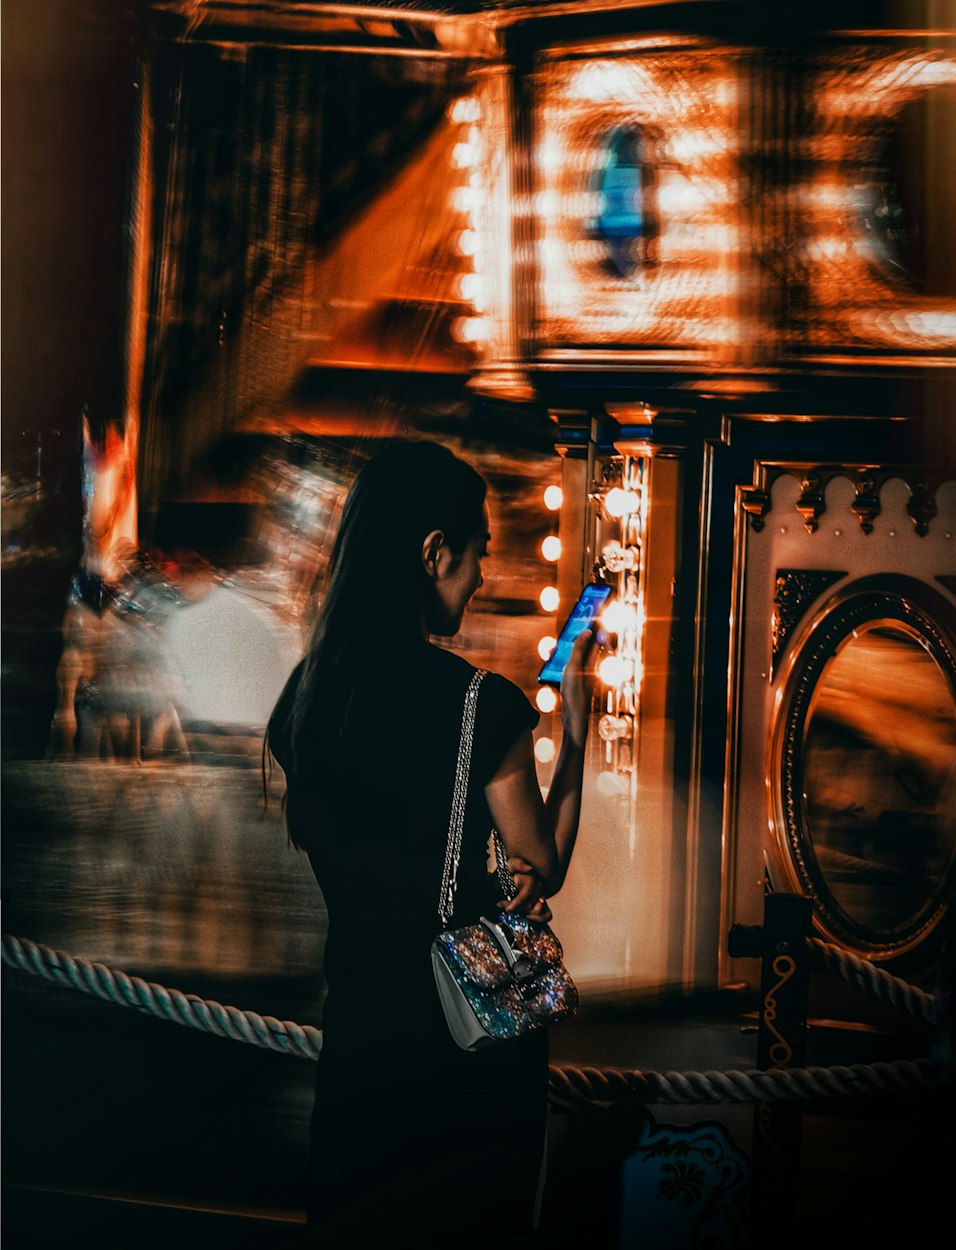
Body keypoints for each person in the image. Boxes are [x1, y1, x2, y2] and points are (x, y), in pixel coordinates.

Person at [264, 438, 596, 1245]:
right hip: (464, 1053)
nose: (481, 574)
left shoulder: (307, 700)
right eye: (477, 549)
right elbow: (542, 862)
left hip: (357, 1044)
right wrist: (576, 729)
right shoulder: (483, 704)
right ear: (433, 552)